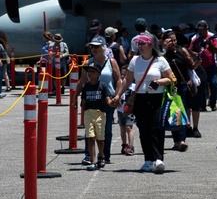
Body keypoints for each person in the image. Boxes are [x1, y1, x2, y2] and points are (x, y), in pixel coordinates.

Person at [122, 33, 174, 174]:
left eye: (143, 43)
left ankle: (158, 158)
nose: (140, 46)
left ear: (151, 45)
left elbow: (171, 79)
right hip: (140, 99)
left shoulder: (160, 60)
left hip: (156, 99)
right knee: (143, 130)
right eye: (139, 43)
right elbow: (127, 80)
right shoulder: (134, 60)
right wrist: (117, 95)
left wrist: (158, 82)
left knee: (156, 128)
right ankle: (148, 160)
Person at [74, 34, 123, 163]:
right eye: (91, 47)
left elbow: (118, 80)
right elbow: (82, 81)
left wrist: (117, 96)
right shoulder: (88, 63)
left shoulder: (111, 62)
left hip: (107, 100)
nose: (93, 49)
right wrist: (75, 97)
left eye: (96, 46)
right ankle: (89, 155)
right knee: (90, 129)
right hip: (91, 99)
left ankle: (104, 155)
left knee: (106, 129)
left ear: (103, 47)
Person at [77, 63, 109, 170]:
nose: (90, 74)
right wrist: (82, 112)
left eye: (93, 72)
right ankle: (93, 160)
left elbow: (107, 99)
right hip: (88, 113)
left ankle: (101, 155)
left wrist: (113, 102)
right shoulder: (86, 86)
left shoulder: (103, 86)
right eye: (89, 72)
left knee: (100, 138)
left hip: (100, 113)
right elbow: (84, 101)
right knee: (90, 137)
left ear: (98, 74)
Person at [189, 20, 217, 111]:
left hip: (211, 65)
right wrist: (195, 52)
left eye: (201, 30)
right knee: (201, 86)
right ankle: (202, 105)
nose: (200, 32)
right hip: (200, 67)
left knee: (213, 84)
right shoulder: (195, 40)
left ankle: (213, 103)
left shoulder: (212, 38)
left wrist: (209, 44)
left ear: (206, 29)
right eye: (198, 30)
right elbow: (189, 51)